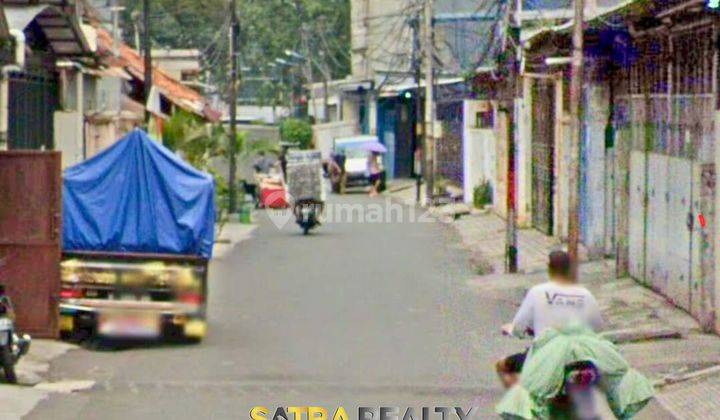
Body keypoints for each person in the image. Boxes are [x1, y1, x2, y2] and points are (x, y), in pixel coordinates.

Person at [496, 250, 603, 389]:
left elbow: (518, 327)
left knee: (501, 366)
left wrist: (511, 330)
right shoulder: (585, 294)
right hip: (579, 357)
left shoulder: (537, 292)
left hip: (544, 358)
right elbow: (598, 328)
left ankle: (522, 401)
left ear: (549, 268)